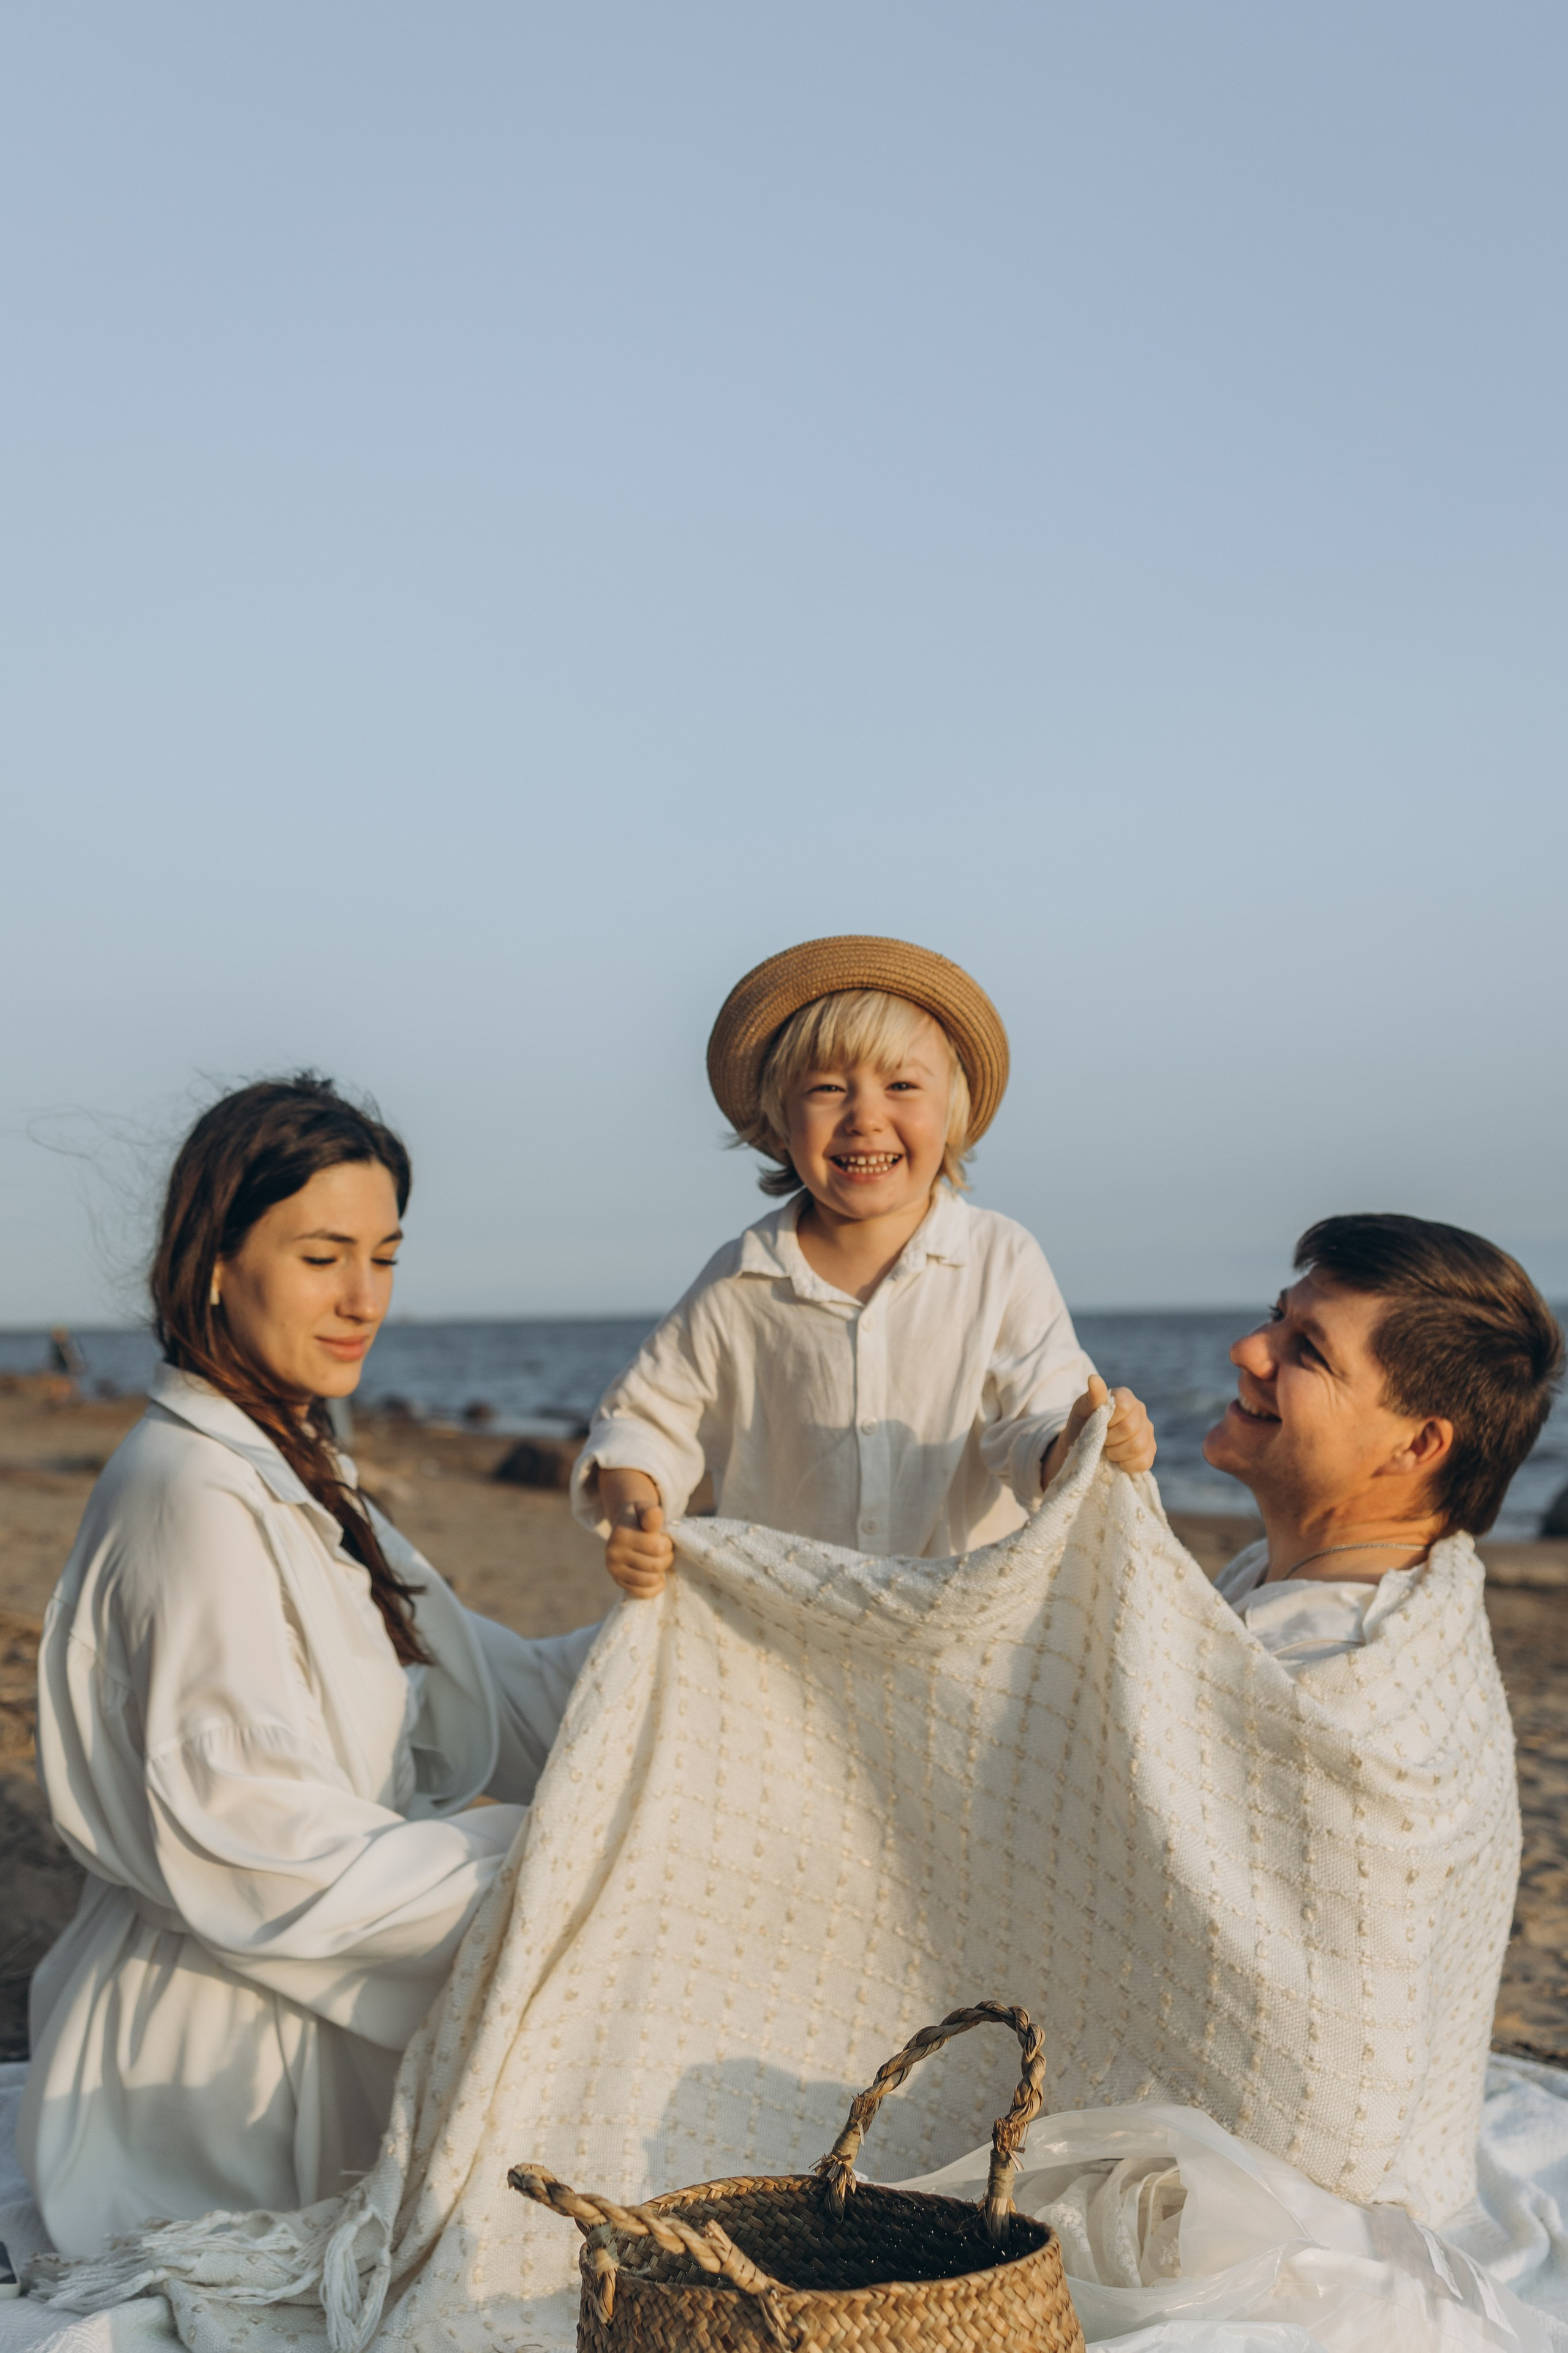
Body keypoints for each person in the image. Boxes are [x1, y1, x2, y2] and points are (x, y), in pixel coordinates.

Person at [20, 1076, 600, 2256]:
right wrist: (546, 1859)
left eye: (384, 1257)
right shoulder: (190, 1492)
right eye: (323, 1255)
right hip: (218, 2058)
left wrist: (704, 1646)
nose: (362, 1300)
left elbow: (499, 1684)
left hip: (313, 1979)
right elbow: (249, 1842)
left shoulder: (296, 1467)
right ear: (217, 1261)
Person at [572, 934, 1155, 1593]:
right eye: (826, 1088)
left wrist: (1082, 1443)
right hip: (787, 1624)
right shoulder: (741, 1279)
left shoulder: (999, 1259)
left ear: (951, 1109)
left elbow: (1034, 1425)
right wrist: (633, 1511)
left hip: (957, 1628)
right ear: (780, 1119)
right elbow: (646, 1418)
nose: (865, 1117)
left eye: (902, 1084)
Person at [1204, 1210, 1563, 1667]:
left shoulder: (1311, 1667)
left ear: (1416, 1445)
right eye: (1277, 1314)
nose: (1246, 1349)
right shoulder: (1426, 1604)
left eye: (1312, 1349)